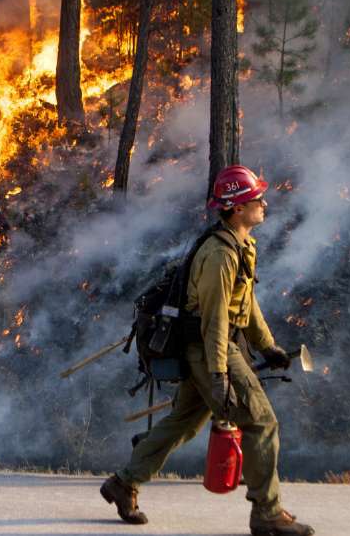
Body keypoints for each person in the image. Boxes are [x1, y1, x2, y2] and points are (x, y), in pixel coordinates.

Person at [100, 165, 314, 536]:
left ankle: (124, 483)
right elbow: (214, 320)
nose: (263, 204)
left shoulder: (240, 244)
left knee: (183, 421)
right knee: (261, 422)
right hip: (211, 348)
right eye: (254, 199)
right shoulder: (220, 255)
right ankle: (267, 513)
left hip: (215, 346)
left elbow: (246, 304)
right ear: (235, 209)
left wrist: (269, 346)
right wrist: (219, 375)